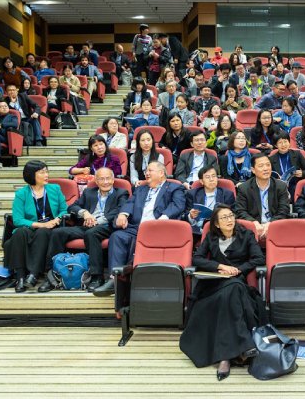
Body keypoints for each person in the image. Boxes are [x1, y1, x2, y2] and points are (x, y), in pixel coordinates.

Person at [179, 204, 265, 380]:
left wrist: (237, 269)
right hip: (214, 284)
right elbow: (197, 258)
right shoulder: (211, 237)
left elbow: (259, 258)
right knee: (230, 294)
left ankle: (224, 357)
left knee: (234, 289)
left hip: (237, 282)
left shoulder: (246, 235)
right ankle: (243, 346)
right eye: (224, 217)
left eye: (231, 215)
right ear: (216, 224)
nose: (230, 219)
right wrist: (220, 266)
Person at [95, 161, 186, 296]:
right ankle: (115, 279)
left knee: (136, 244)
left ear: (161, 173)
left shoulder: (174, 188)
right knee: (117, 236)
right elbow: (130, 203)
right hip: (137, 227)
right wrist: (123, 214)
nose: (146, 173)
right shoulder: (141, 189)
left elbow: (178, 205)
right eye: (146, 171)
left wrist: (162, 220)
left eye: (150, 170)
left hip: (160, 229)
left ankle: (131, 282)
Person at [43, 167, 129, 292]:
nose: (105, 182)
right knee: (58, 232)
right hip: (87, 225)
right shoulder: (89, 192)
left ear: (113, 180)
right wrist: (85, 213)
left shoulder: (121, 193)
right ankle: (51, 275)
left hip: (108, 227)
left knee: (91, 233)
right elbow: (73, 206)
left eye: (108, 178)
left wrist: (97, 221)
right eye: (101, 179)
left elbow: (120, 210)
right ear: (96, 180)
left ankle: (97, 276)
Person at [4, 160, 68, 293]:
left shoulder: (54, 189)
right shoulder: (21, 194)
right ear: (31, 175)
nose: (46, 175)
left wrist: (56, 220)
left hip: (50, 229)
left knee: (43, 232)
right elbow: (17, 219)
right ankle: (20, 277)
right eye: (42, 172)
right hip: (29, 228)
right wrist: (40, 224)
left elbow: (64, 210)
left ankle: (33, 274)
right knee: (19, 233)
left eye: (46, 171)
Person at [234, 153, 290, 239]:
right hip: (252, 228)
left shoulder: (280, 186)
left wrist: (271, 223)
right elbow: (240, 211)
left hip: (276, 226)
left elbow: (284, 210)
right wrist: (253, 223)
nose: (265, 168)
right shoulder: (244, 188)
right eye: (261, 166)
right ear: (253, 170)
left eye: (268, 165)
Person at [184, 166, 236, 235]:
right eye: (207, 177)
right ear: (201, 181)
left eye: (214, 176)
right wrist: (190, 216)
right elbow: (185, 215)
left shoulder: (227, 194)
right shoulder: (192, 194)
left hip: (221, 229)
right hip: (198, 231)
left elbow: (234, 214)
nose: (211, 179)